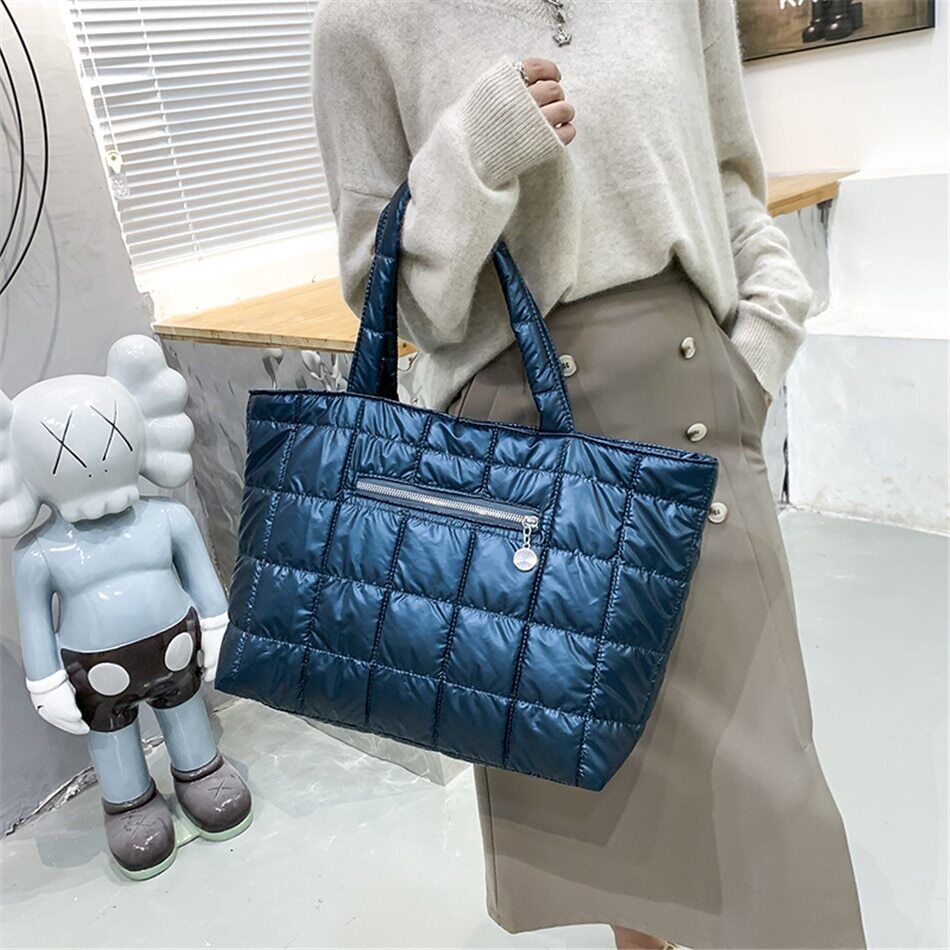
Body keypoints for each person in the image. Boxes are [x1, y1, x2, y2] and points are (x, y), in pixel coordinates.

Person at [311, 2, 865, 947]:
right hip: (519, 473)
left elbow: (730, 178)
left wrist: (762, 341)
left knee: (778, 818)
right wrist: (472, 157)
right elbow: (388, 296)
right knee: (614, 828)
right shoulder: (364, 21)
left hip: (698, 422)